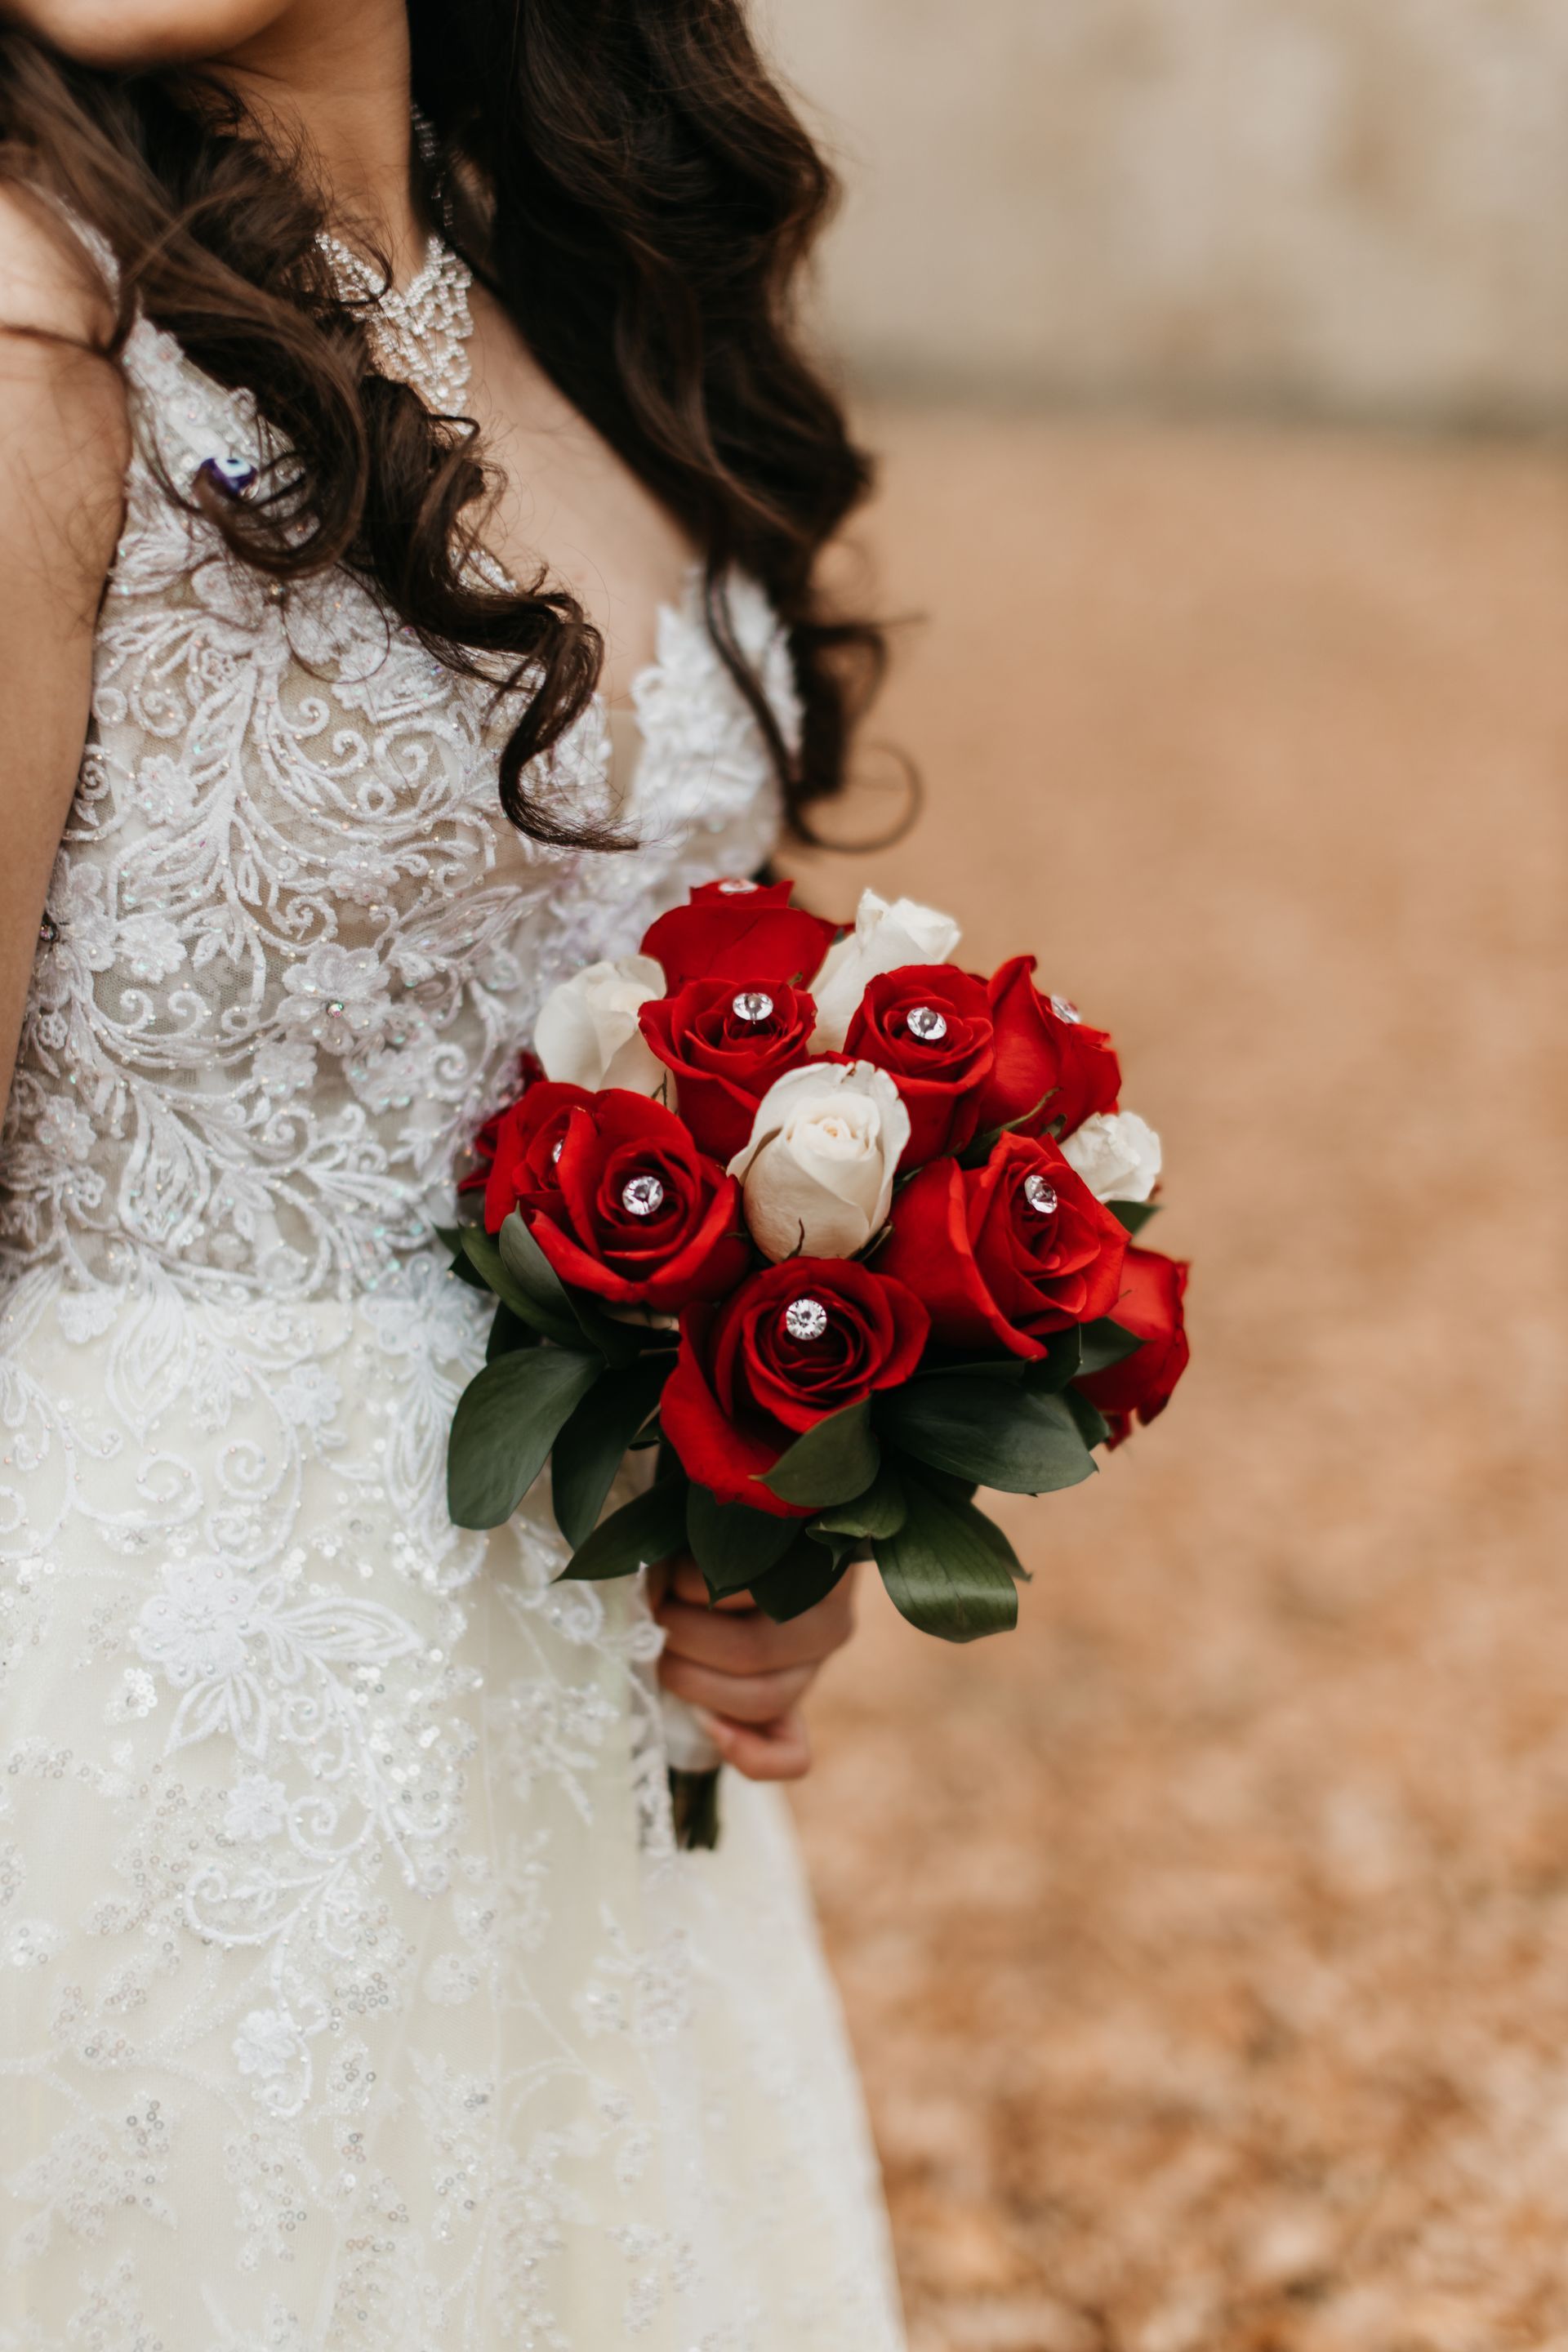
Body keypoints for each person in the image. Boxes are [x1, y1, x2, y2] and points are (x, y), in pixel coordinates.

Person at [0, 2, 904, 2342]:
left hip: (571, 1734)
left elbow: (679, 1031)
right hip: (133, 1724)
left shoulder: (582, 309)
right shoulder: (33, 346)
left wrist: (777, 1490)